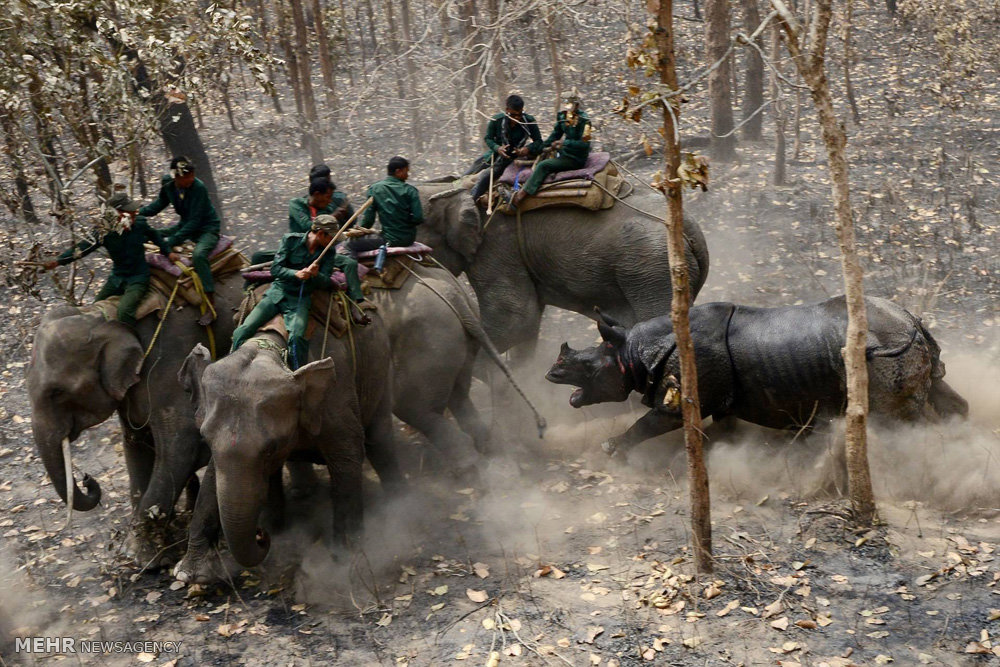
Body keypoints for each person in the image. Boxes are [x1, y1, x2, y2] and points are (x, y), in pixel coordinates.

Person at [230, 216, 370, 370]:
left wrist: (316, 275)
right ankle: (232, 367)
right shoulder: (290, 241)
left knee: (297, 338)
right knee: (242, 331)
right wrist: (295, 274)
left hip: (299, 300)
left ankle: (299, 375)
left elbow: (326, 282)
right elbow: (276, 269)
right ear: (321, 233)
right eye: (331, 236)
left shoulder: (328, 252)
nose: (334, 242)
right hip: (277, 293)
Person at [44, 191, 179, 328]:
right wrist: (59, 261)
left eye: (132, 211)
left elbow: (155, 236)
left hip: (137, 278)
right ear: (116, 213)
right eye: (128, 211)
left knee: (124, 313)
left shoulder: (139, 224)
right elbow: (83, 248)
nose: (133, 214)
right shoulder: (104, 232)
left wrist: (168, 253)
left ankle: (131, 343)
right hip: (117, 277)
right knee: (95, 308)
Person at [139, 156, 222, 325]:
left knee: (199, 255)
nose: (191, 179)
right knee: (154, 234)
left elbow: (195, 221)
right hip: (185, 225)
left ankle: (210, 303)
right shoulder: (168, 184)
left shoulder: (199, 187)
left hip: (206, 228)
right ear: (176, 177)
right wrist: (136, 214)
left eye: (192, 175)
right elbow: (158, 205)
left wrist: (171, 242)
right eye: (186, 177)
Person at [511, 89, 592, 208]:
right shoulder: (562, 117)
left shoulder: (585, 121)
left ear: (577, 105)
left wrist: (565, 143)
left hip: (575, 157)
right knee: (539, 156)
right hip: (563, 152)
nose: (567, 107)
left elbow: (585, 144)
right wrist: (535, 148)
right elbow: (554, 136)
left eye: (570, 104)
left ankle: (520, 196)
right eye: (565, 104)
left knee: (543, 165)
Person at [469, 95, 543, 202]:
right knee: (472, 171)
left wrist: (527, 149)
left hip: (516, 158)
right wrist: (498, 148)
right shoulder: (496, 120)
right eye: (513, 115)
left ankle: (471, 201)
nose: (517, 118)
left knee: (487, 176)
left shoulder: (529, 121)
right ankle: (468, 198)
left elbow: (539, 141)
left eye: (519, 115)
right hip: (495, 156)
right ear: (507, 110)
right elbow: (488, 138)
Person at [346, 156, 424, 257]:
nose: (407, 176)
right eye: (406, 172)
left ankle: (352, 271)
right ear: (398, 171)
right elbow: (418, 218)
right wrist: (405, 223)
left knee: (349, 244)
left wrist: (361, 231)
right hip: (408, 240)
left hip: (388, 239)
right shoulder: (411, 190)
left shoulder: (375, 189)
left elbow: (369, 219)